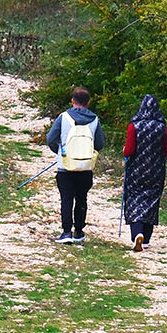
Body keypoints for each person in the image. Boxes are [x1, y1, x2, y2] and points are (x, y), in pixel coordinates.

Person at [46, 88, 105, 245]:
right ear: (88, 102)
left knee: (66, 199)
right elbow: (100, 143)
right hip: (85, 166)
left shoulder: (63, 117)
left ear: (72, 101)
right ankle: (79, 231)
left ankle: (66, 232)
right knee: (81, 198)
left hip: (65, 166)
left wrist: (60, 152)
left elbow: (50, 139)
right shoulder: (95, 120)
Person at [121, 95, 167, 251]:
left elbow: (129, 150)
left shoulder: (134, 126)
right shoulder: (163, 127)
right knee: (152, 200)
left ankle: (137, 234)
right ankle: (146, 239)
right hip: (156, 170)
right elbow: (165, 151)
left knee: (135, 199)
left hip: (136, 169)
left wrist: (125, 151)